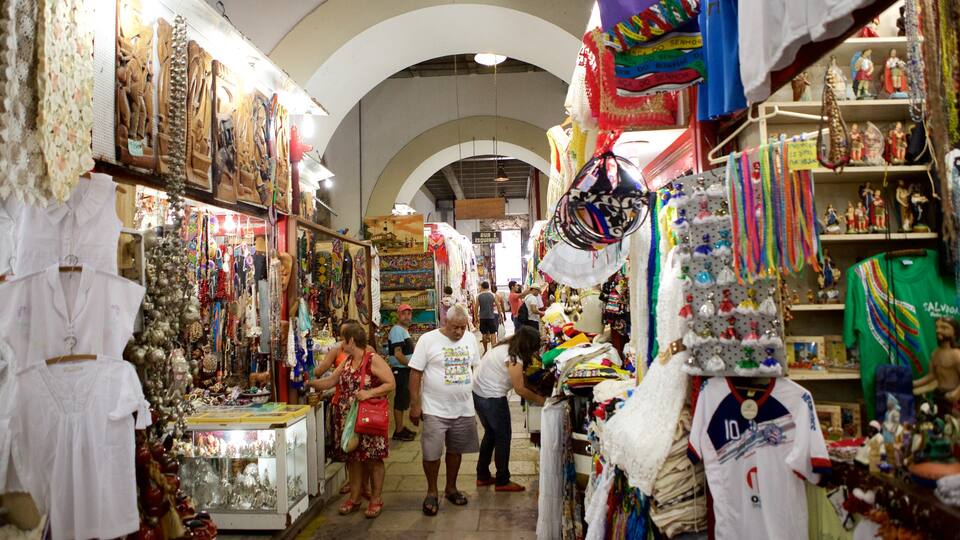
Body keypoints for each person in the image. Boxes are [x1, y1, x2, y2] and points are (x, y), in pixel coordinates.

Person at [311, 322, 395, 519]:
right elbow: (331, 381)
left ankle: (375, 499)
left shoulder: (372, 359)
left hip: (369, 419)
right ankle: (355, 497)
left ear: (351, 341)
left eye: (343, 339)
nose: (341, 344)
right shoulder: (348, 361)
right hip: (349, 420)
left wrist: (369, 393)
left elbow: (390, 382)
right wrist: (308, 383)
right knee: (353, 458)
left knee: (373, 459)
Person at [408, 305, 481, 516]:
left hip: (463, 407)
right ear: (445, 322)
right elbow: (415, 373)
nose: (459, 332)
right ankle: (432, 491)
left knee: (456, 450)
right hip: (434, 408)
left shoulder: (470, 339)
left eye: (463, 327)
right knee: (431, 453)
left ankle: (451, 488)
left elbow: (474, 367)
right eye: (455, 327)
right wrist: (415, 405)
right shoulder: (427, 340)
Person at [472, 326, 546, 492]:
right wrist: (542, 400)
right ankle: (502, 480)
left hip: (479, 393)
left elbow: (521, 380)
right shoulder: (514, 357)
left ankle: (482, 475)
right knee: (503, 437)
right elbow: (519, 389)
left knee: (491, 434)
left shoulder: (506, 346)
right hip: (491, 397)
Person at [387, 304, 417, 441]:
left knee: (404, 399)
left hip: (405, 370)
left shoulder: (403, 330)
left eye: (409, 314)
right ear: (398, 315)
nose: (406, 316)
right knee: (400, 400)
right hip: (401, 370)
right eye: (403, 314)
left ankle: (401, 427)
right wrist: (412, 365)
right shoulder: (397, 330)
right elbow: (398, 354)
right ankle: (398, 431)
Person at [475, 281, 503, 354]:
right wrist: (500, 315)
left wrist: (476, 318)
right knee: (493, 333)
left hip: (482, 318)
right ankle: (493, 350)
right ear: (488, 287)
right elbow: (498, 305)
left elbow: (476, 307)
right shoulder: (493, 295)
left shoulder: (479, 296)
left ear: (482, 287)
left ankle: (485, 350)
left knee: (484, 334)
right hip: (491, 317)